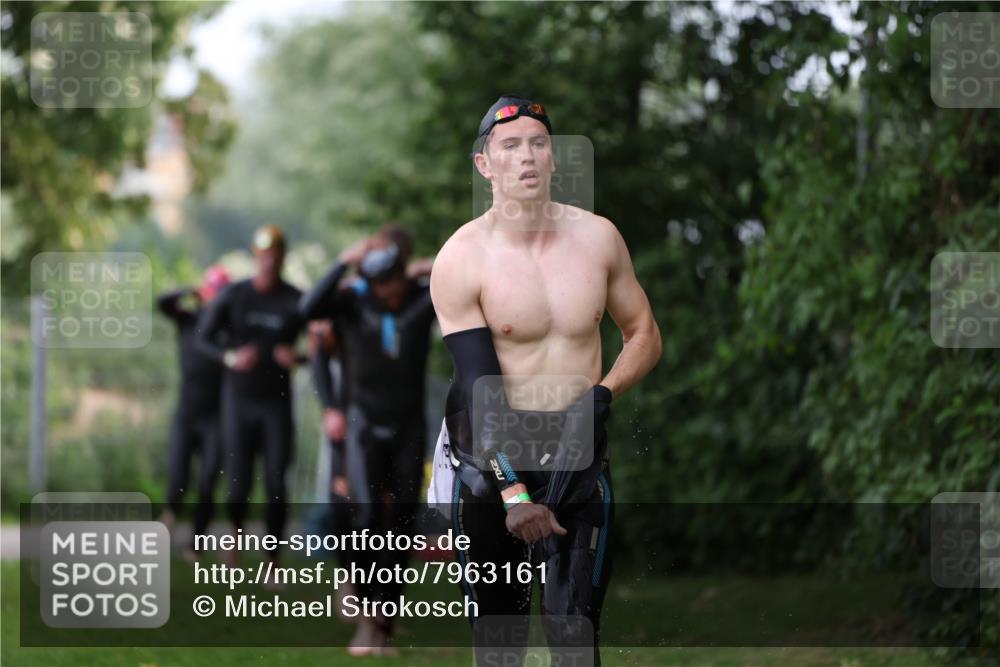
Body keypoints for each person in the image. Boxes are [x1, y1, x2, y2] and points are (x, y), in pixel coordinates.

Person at [430, 95, 662, 666]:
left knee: (575, 639)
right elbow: (480, 387)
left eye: (538, 143)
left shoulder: (598, 238)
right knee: (501, 646)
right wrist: (513, 492)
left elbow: (644, 334)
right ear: (485, 165)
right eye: (509, 146)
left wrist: (602, 396)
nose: (527, 157)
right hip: (489, 470)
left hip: (576, 456)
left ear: (554, 158)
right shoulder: (462, 258)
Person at [299, 224, 436, 655]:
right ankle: (364, 618)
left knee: (400, 527)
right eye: (377, 286)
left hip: (408, 428)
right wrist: (343, 260)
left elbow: (473, 282)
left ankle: (386, 621)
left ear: (402, 277)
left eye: (391, 285)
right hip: (363, 427)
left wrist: (443, 262)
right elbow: (309, 307)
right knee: (365, 519)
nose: (386, 294)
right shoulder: (353, 303)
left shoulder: (422, 300)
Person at [196, 225, 304, 574]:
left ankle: (272, 560)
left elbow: (322, 340)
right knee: (238, 479)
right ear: (256, 256)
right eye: (264, 254)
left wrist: (298, 358)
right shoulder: (235, 295)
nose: (269, 261)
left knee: (275, 482)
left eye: (275, 254)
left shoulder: (294, 298)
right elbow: (203, 337)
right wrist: (230, 357)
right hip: (239, 402)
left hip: (276, 403)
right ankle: (235, 540)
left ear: (282, 257)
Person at [157, 265, 231, 560]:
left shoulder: (229, 330)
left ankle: (197, 544)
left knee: (209, 480)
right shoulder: (188, 321)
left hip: (218, 416)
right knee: (178, 478)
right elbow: (163, 303)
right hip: (187, 413)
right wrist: (189, 290)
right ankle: (170, 516)